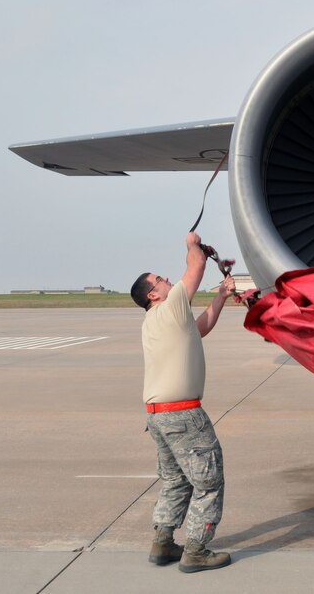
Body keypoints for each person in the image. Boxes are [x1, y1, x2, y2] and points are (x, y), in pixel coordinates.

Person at [130, 232, 236, 573]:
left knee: (176, 480)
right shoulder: (171, 305)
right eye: (159, 279)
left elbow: (200, 328)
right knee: (209, 482)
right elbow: (197, 264)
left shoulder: (159, 321)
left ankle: (163, 542)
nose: (166, 279)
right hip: (183, 415)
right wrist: (193, 243)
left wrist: (220, 295)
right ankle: (196, 551)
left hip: (159, 417)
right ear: (153, 294)